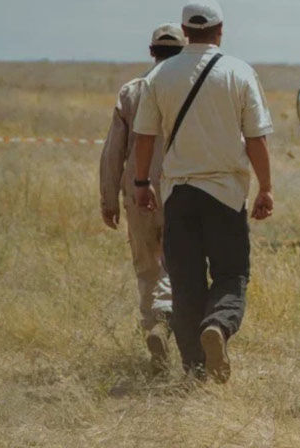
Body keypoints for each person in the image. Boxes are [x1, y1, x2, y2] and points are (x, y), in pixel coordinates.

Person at [132, 0, 275, 383]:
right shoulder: (239, 72)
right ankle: (219, 325)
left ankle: (194, 371)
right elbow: (257, 139)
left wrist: (142, 183)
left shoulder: (160, 76)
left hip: (178, 195)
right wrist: (265, 188)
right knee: (231, 275)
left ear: (185, 31)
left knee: (185, 282)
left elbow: (144, 136)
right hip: (226, 195)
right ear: (220, 31)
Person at [99, 23, 184, 370]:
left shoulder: (131, 92)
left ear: (151, 52)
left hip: (139, 189)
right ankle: (181, 334)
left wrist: (107, 198)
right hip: (185, 190)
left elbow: (113, 151)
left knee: (149, 266)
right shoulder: (192, 91)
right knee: (185, 265)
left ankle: (156, 326)